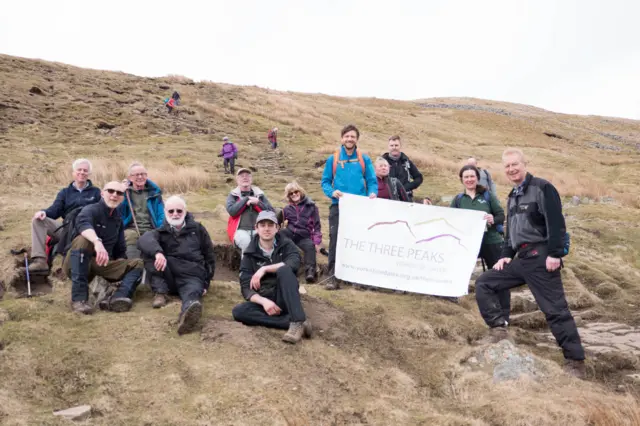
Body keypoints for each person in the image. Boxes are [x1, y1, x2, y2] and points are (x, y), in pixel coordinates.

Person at [475, 148, 586, 378]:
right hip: (521, 259)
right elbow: (511, 232)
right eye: (507, 166)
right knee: (485, 283)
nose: (511, 169)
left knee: (554, 310)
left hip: (542, 257)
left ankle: (575, 361)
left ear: (524, 164)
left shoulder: (542, 188)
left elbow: (556, 223)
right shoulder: (512, 196)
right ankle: (499, 328)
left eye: (515, 164)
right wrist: (506, 254)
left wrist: (555, 254)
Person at [62, 181, 144, 314]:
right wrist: (97, 242)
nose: (114, 195)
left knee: (137, 263)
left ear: (122, 197)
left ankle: (119, 297)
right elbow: (83, 224)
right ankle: (79, 300)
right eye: (110, 191)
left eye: (119, 193)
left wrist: (120, 270)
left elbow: (120, 251)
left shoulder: (117, 219)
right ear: (102, 193)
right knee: (83, 240)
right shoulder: (90, 210)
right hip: (76, 262)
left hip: (100, 265)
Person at [137, 196, 216, 335]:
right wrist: (158, 253)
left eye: (179, 211)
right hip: (168, 275)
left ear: (185, 211)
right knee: (149, 254)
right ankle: (160, 292)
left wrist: (206, 283)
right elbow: (144, 240)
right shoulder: (161, 231)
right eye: (171, 211)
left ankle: (187, 316)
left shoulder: (198, 229)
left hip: (191, 274)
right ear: (165, 212)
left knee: (192, 296)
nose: (175, 214)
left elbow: (209, 257)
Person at [231, 211, 312, 344]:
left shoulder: (286, 244)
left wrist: (264, 268)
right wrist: (263, 302)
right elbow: (245, 287)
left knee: (284, 270)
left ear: (277, 228)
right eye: (262, 225)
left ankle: (297, 321)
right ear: (256, 228)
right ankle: (290, 322)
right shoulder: (249, 253)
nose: (266, 228)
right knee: (239, 312)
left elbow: (294, 263)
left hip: (285, 296)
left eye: (270, 225)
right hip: (266, 298)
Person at [320, 124, 377, 290]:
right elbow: (325, 181)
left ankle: (357, 279)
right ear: (342, 139)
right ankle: (333, 278)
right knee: (335, 241)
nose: (349, 139)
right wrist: (332, 192)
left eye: (352, 136)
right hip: (338, 206)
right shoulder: (334, 158)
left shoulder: (364, 158)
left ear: (357, 139)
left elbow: (372, 180)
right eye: (347, 136)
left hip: (359, 208)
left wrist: (372, 193)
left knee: (357, 242)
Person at [29, 159, 101, 274]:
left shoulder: (96, 192)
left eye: (85, 170)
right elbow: (55, 210)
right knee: (37, 221)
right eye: (79, 170)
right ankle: (40, 260)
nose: (82, 173)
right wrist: (44, 212)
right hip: (65, 228)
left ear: (89, 174)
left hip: (86, 230)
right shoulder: (65, 192)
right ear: (73, 172)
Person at [451, 165, 505, 270]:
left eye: (472, 176)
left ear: (477, 178)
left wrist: (493, 219)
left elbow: (501, 215)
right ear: (462, 180)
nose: (469, 179)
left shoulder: (488, 195)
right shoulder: (458, 200)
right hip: (468, 243)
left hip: (491, 241)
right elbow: (451, 220)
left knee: (497, 273)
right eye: (466, 177)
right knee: (464, 271)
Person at [118, 162, 165, 261]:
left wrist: (161, 230)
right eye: (136, 175)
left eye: (143, 174)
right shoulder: (124, 193)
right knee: (130, 236)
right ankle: (133, 265)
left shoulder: (154, 194)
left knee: (152, 239)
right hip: (131, 229)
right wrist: (121, 192)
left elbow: (161, 215)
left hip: (151, 229)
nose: (140, 177)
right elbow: (118, 213)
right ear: (130, 178)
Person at [280, 182, 322, 283]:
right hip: (290, 233)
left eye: (296, 191)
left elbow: (317, 226)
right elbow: (278, 221)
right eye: (291, 193)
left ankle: (310, 272)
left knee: (310, 246)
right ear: (288, 196)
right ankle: (280, 266)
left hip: (304, 235)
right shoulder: (286, 209)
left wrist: (317, 242)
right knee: (280, 235)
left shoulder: (311, 207)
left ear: (300, 191)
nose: (294, 194)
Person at [226, 168, 274, 254]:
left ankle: (264, 267)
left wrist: (258, 202)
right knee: (247, 243)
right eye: (242, 176)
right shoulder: (233, 195)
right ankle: (247, 267)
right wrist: (246, 200)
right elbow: (232, 211)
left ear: (251, 179)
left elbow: (271, 212)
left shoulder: (259, 195)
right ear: (237, 180)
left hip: (260, 229)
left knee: (265, 245)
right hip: (239, 230)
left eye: (247, 176)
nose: (245, 178)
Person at [382, 136, 424, 202]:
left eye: (396, 145)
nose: (394, 147)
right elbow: (375, 178)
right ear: (388, 147)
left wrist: (406, 187)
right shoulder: (382, 162)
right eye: (391, 145)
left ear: (400, 146)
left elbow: (419, 178)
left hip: (406, 198)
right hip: (387, 199)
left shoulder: (406, 161)